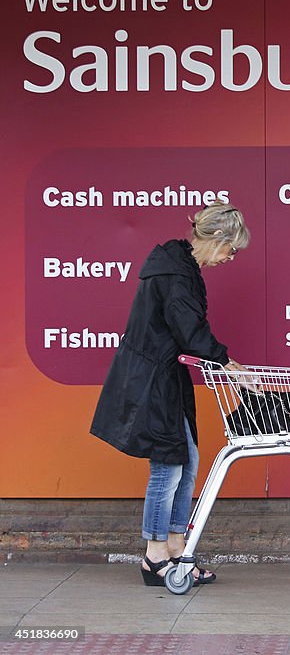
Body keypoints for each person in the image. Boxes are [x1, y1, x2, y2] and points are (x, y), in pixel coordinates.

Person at [90, 203, 252, 587]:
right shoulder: (177, 275)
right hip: (151, 379)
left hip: (162, 376)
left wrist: (224, 361)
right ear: (217, 239)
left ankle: (178, 546)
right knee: (168, 465)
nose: (231, 257)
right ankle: (155, 554)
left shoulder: (178, 266)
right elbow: (188, 328)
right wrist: (227, 364)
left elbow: (186, 329)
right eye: (232, 249)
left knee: (188, 460)